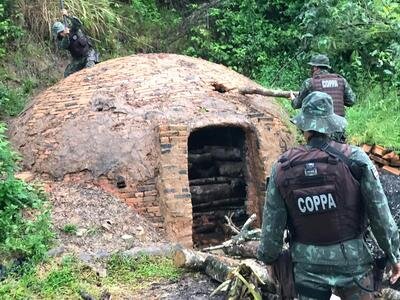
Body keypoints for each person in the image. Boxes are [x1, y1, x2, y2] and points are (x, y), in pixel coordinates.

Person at [257, 91, 400, 299]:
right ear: (331, 124)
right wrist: (394, 255)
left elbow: (272, 225)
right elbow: (380, 214)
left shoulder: (282, 167)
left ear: (304, 126)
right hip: (353, 263)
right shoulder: (355, 159)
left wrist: (269, 258)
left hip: (307, 267)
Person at [290, 54, 356, 142]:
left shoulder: (310, 83)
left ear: (315, 68)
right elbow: (351, 101)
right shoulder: (341, 81)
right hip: (338, 128)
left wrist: (292, 98)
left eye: (312, 67)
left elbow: (296, 104)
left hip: (317, 130)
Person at [52, 9, 99, 77]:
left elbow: (78, 23)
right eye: (60, 33)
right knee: (67, 75)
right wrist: (65, 36)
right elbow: (64, 45)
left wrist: (68, 15)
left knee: (89, 71)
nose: (62, 33)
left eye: (62, 31)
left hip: (89, 55)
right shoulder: (62, 40)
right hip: (78, 59)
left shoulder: (74, 29)